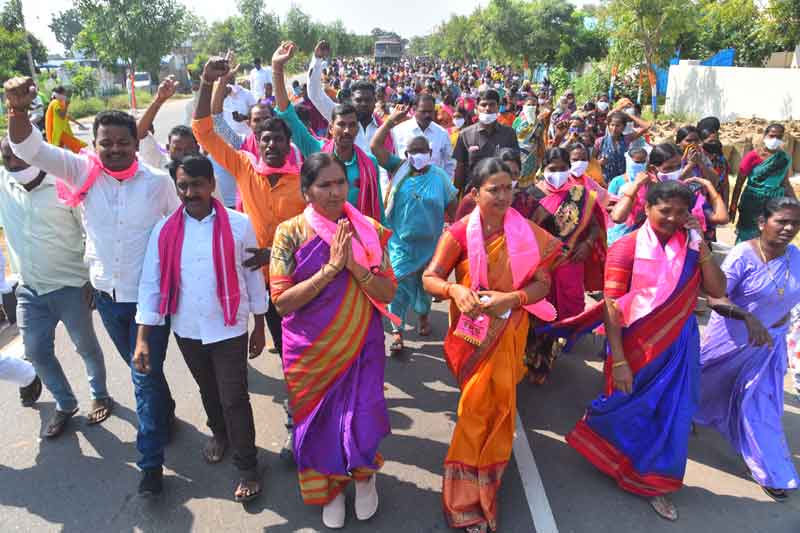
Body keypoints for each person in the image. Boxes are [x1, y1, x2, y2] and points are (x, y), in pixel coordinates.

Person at [5, 76, 180, 497]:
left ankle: (150, 463)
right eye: (107, 142)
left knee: (141, 377)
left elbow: (178, 231)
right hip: (106, 297)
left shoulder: (157, 182)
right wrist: (16, 110)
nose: (115, 149)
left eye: (123, 142)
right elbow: (29, 148)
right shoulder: (82, 171)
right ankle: (166, 411)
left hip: (150, 300)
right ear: (96, 145)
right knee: (147, 373)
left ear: (136, 145)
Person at [549, 180, 726, 521]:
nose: (673, 218)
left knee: (673, 415)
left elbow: (717, 289)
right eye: (665, 210)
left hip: (680, 345)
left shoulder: (692, 247)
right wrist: (618, 361)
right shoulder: (626, 248)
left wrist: (702, 246)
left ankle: (653, 482)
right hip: (635, 345)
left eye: (681, 212)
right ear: (646, 209)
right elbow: (612, 308)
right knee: (629, 408)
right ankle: (612, 453)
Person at [422, 157, 561, 532]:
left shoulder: (530, 233)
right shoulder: (459, 232)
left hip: (510, 329)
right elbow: (430, 277)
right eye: (493, 189)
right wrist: (454, 288)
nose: (503, 195)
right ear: (474, 193)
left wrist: (512, 299)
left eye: (509, 187)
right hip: (472, 334)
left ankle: (487, 477)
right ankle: (465, 496)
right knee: (474, 408)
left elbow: (542, 285)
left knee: (498, 406)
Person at [269, 153, 397, 529]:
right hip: (310, 352)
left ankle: (365, 479)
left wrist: (354, 266)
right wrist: (329, 271)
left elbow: (388, 292)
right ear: (306, 190)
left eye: (340, 182)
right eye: (323, 185)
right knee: (321, 426)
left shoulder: (369, 229)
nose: (334, 191)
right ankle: (332, 490)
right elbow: (282, 302)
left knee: (360, 418)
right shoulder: (289, 233)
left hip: (361, 345)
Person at [135, 154, 268, 503]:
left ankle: (247, 465)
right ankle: (219, 434)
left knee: (234, 397)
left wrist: (259, 325)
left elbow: (253, 276)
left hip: (229, 327)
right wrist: (143, 338)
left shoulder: (239, 224)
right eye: (183, 186)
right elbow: (151, 282)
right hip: (187, 326)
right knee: (207, 389)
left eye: (197, 184)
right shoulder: (164, 230)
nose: (190, 192)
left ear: (211, 184)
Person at [0, 136, 113, 437]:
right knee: (36, 351)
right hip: (29, 289)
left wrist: (91, 277)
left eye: (18, 157)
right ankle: (65, 403)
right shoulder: (3, 183)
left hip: (71, 285)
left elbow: (90, 230)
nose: (14, 164)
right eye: (7, 158)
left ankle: (100, 393)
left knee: (85, 346)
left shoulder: (64, 183)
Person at [695, 197, 800, 502]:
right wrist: (747, 317)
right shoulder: (743, 255)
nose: (789, 228)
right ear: (762, 223)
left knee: (759, 406)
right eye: (781, 221)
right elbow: (715, 296)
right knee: (705, 386)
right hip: (730, 340)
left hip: (769, 346)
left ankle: (772, 471)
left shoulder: (795, 257)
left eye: (795, 223)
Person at [371, 104, 458, 354]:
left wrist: (453, 232)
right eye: (412, 151)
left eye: (421, 151)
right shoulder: (400, 169)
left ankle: (422, 317)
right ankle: (397, 332)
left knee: (423, 288)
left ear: (430, 152)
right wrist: (388, 122)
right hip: (401, 245)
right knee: (397, 288)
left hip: (430, 246)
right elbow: (377, 148)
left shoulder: (440, 176)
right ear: (406, 153)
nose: (417, 155)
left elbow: (452, 203)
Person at [273, 42, 386, 222]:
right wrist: (277, 68)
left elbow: (378, 211)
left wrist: (382, 244)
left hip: (359, 240)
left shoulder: (369, 163)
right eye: (341, 124)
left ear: (358, 129)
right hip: (321, 236)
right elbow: (288, 116)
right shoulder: (317, 151)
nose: (347, 130)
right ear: (331, 128)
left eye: (352, 125)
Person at [526, 147, 605, 384]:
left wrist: (588, 245)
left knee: (563, 313)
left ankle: (546, 357)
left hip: (570, 263)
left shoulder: (581, 195)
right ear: (544, 169)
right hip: (538, 267)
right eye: (553, 169)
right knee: (538, 313)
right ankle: (535, 361)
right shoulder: (531, 195)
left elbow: (593, 226)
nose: (558, 173)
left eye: (563, 168)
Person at [611, 143, 729, 244]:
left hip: (676, 255)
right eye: (668, 168)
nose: (675, 172)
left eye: (678, 167)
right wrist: (636, 185)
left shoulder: (685, 192)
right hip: (642, 250)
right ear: (653, 169)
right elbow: (617, 217)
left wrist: (708, 185)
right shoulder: (642, 190)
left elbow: (721, 218)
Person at [307, 40, 392, 155]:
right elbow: (315, 94)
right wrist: (317, 59)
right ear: (351, 100)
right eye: (358, 100)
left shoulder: (385, 128)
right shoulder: (340, 115)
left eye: (368, 100)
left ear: (375, 101)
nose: (363, 104)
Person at [730, 124, 796, 243]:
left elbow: (785, 183)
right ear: (765, 135)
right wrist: (733, 207)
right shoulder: (752, 157)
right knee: (747, 236)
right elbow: (739, 183)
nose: (775, 140)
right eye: (772, 136)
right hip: (752, 202)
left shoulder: (784, 158)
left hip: (774, 204)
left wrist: (796, 204)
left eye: (779, 137)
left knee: (770, 237)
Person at [453, 89, 520, 195]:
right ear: (477, 108)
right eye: (483, 105)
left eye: (492, 105)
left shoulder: (509, 134)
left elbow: (515, 166)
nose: (488, 109)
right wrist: (456, 195)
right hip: (473, 194)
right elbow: (460, 168)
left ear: (498, 107)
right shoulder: (465, 134)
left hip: (500, 194)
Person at [391, 93, 455, 177]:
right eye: (423, 111)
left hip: (433, 187)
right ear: (414, 109)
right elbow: (389, 161)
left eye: (430, 111)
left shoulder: (442, 134)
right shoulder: (398, 131)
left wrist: (444, 185)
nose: (427, 115)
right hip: (405, 186)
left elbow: (450, 164)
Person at [595, 100, 650, 184]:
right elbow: (591, 162)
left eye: (618, 126)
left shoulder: (626, 139)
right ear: (608, 126)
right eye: (612, 125)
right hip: (604, 180)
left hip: (622, 180)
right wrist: (599, 162)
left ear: (623, 127)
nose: (614, 128)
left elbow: (646, 126)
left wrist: (629, 115)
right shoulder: (600, 141)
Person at [606, 147, 648, 245]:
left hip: (638, 231)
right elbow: (607, 206)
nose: (641, 165)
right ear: (629, 161)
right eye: (637, 162)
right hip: (618, 231)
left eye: (643, 162)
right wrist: (627, 209)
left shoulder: (647, 182)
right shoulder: (617, 181)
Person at [512, 94, 548, 186]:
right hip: (518, 152)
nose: (531, 107)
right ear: (524, 106)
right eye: (529, 105)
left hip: (532, 154)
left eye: (534, 105)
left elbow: (540, 139)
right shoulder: (518, 120)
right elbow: (512, 136)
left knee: (529, 179)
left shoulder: (540, 122)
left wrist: (543, 156)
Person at [44, 86, 87, 153]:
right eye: (64, 94)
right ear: (59, 94)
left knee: (68, 151)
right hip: (59, 132)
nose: (65, 96)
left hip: (63, 132)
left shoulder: (60, 103)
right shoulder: (55, 103)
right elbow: (62, 116)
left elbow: (67, 116)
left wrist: (80, 124)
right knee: (78, 148)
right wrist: (66, 105)